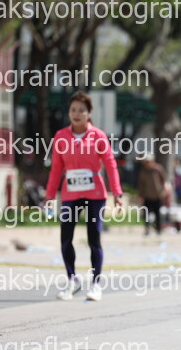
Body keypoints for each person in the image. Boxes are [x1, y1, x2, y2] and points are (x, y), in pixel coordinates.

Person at [45, 92, 123, 301]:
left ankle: (95, 284)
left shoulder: (98, 136)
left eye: (81, 110)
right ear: (69, 113)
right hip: (70, 194)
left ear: (89, 113)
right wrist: (49, 194)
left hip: (95, 193)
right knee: (65, 238)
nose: (77, 114)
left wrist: (117, 192)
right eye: (73, 110)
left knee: (93, 237)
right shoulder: (61, 136)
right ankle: (72, 280)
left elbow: (110, 164)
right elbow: (56, 169)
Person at [137, 153, 168, 235]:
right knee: (146, 214)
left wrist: (164, 191)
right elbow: (141, 184)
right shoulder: (143, 171)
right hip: (147, 196)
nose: (147, 163)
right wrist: (140, 195)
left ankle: (158, 229)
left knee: (157, 214)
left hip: (157, 195)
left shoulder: (158, 169)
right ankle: (147, 229)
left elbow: (164, 180)